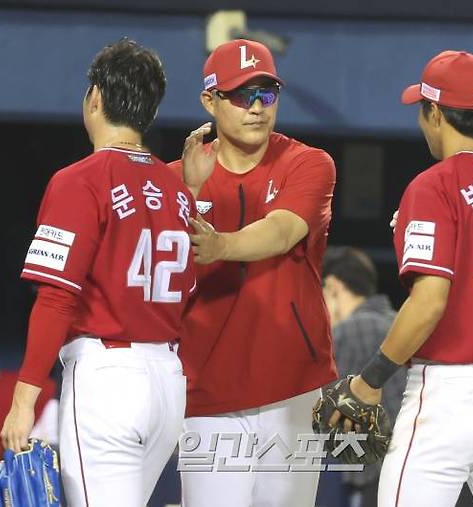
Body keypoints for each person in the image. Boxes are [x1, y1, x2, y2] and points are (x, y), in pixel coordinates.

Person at [337, 50, 473, 506]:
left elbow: (430, 301)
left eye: (422, 110)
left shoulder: (434, 184)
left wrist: (370, 379)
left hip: (452, 392)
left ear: (435, 112)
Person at [0, 39, 196, 507]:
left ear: (95, 98)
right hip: (168, 382)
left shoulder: (79, 180)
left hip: (107, 379)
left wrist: (23, 402)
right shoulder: (178, 190)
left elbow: (55, 298)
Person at [170, 39, 338, 507]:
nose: (259, 108)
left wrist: (222, 244)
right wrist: (186, 191)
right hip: (207, 391)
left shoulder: (308, 163)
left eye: (268, 94)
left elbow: (283, 230)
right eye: (244, 95)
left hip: (292, 387)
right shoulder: (174, 180)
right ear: (210, 100)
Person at [322, 246, 407, 507]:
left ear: (333, 287)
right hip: (420, 471)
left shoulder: (350, 331)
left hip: (381, 479)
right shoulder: (401, 324)